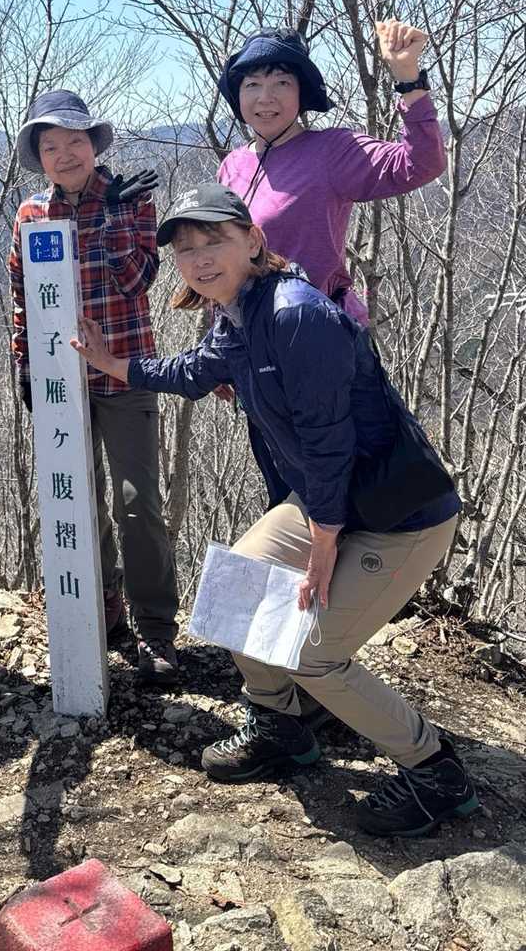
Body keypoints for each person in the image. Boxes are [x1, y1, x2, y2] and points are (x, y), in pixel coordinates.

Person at [72, 183, 476, 838]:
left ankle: (434, 771)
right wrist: (110, 362)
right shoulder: (236, 314)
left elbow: (329, 442)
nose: (200, 258)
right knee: (233, 590)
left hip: (398, 515)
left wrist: (323, 549)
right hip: (328, 500)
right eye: (186, 249)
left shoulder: (296, 316)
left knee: (314, 654)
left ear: (253, 241)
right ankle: (279, 724)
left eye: (214, 240)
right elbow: (192, 373)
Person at [10, 89, 180, 686]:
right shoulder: (31, 214)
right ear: (40, 157)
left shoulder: (133, 198)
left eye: (74, 141)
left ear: (93, 144)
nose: (64, 155)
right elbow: (22, 296)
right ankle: (103, 607)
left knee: (138, 503)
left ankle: (155, 625)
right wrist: (25, 364)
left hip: (125, 371)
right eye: (50, 146)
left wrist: (108, 219)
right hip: (61, 381)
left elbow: (136, 281)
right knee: (81, 500)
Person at [216, 19, 446, 324]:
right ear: (238, 95)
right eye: (252, 85)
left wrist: (409, 79)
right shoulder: (232, 165)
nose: (265, 97)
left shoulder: (332, 151)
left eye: (282, 83)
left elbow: (422, 163)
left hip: (318, 333)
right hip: (246, 335)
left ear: (302, 93)